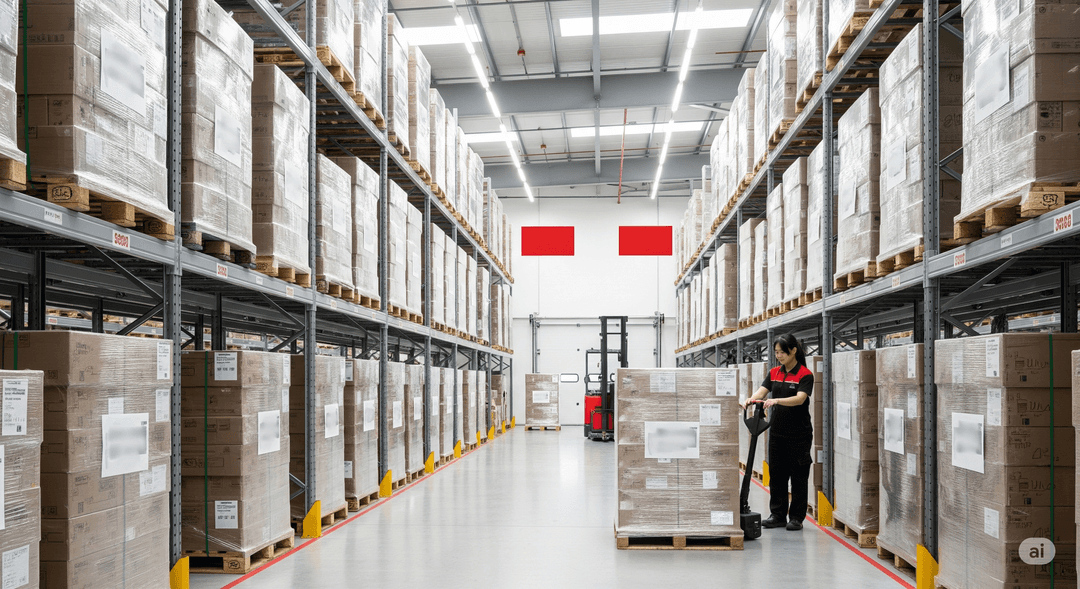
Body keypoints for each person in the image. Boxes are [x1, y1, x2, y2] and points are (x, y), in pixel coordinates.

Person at [738, 333, 814, 531]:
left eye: (782, 352)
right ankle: (778, 515)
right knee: (777, 474)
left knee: (798, 475)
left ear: (793, 351)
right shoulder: (774, 373)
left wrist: (776, 401)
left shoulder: (805, 374)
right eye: (776, 352)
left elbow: (800, 399)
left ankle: (796, 517)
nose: (778, 356)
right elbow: (761, 392)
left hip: (799, 434)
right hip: (777, 432)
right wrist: (750, 400)